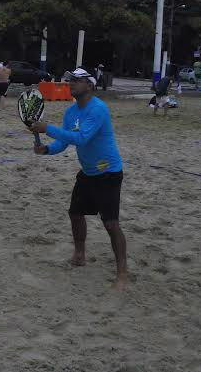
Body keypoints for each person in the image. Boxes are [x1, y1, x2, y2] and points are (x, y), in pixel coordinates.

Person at [29, 68, 127, 289]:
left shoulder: (98, 109)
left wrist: (48, 128)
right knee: (75, 214)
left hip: (109, 172)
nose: (70, 83)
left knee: (111, 224)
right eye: (70, 80)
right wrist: (46, 149)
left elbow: (81, 139)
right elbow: (64, 143)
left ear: (90, 86)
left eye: (76, 80)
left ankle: (122, 273)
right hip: (88, 172)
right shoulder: (71, 111)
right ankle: (80, 254)